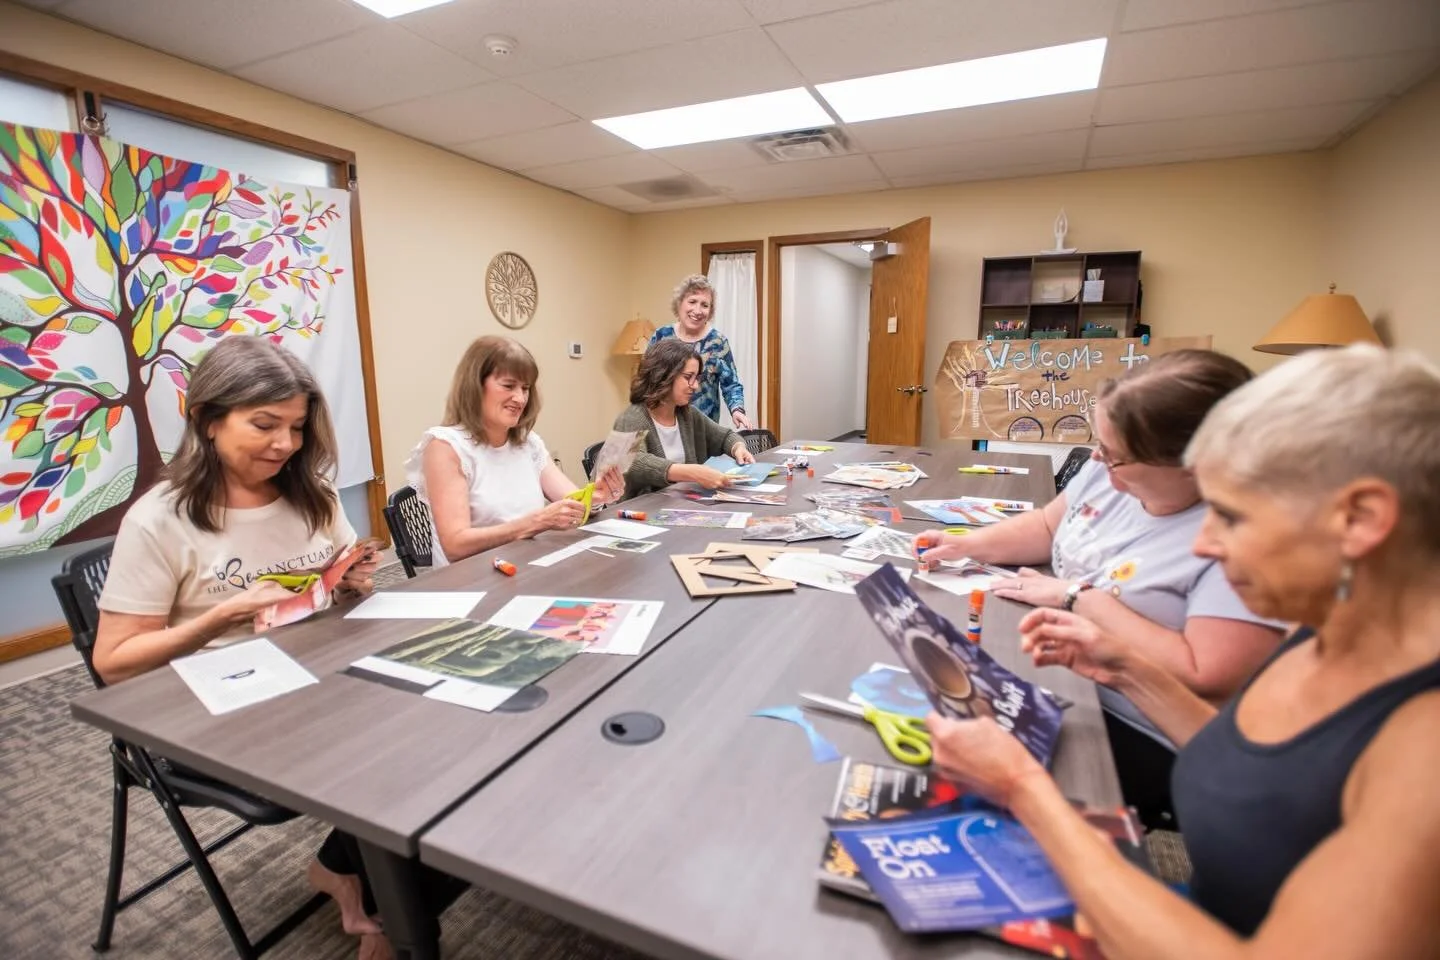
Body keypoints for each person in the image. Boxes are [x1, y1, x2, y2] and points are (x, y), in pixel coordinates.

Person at [926, 344, 1440, 955]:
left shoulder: (1423, 750)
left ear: (1359, 519)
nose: (1203, 547)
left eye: (1231, 516)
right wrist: (1131, 671)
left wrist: (1022, 788)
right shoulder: (1328, 630)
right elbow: (1255, 774)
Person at [92, 337, 392, 958]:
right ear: (206, 419)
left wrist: (349, 584)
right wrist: (219, 617)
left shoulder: (312, 494)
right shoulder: (160, 519)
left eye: (296, 428)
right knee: (389, 743)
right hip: (217, 710)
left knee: (426, 714)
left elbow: (328, 588)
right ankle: (392, 914)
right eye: (264, 425)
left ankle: (349, 869)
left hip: (314, 678)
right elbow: (113, 663)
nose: (285, 444)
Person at [915, 350, 1283, 827]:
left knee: (940, 765)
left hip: (1139, 728)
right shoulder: (1108, 472)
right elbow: (1048, 526)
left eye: (1115, 454)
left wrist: (1078, 598)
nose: (1097, 458)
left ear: (1196, 465)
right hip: (1068, 673)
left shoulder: (1240, 537)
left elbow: (1204, 673)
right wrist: (966, 544)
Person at [409, 336, 620, 567]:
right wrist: (538, 521)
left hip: (525, 567)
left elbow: (572, 501)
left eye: (525, 388)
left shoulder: (528, 442)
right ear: (475, 386)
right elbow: (456, 545)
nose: (520, 398)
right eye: (508, 386)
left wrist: (596, 497)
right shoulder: (445, 447)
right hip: (471, 584)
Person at [614, 338, 756, 498]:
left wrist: (738, 448)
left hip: (681, 505)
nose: (695, 386)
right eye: (689, 377)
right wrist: (693, 473)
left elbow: (726, 437)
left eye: (696, 378)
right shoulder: (632, 417)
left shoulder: (687, 414)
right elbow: (633, 461)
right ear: (663, 375)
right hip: (640, 512)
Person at [648, 273, 753, 429]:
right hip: (663, 426)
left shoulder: (718, 342)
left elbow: (731, 384)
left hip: (703, 432)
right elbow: (647, 380)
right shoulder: (661, 336)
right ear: (679, 304)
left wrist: (737, 409)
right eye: (692, 301)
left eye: (704, 305)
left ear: (710, 311)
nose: (697, 310)